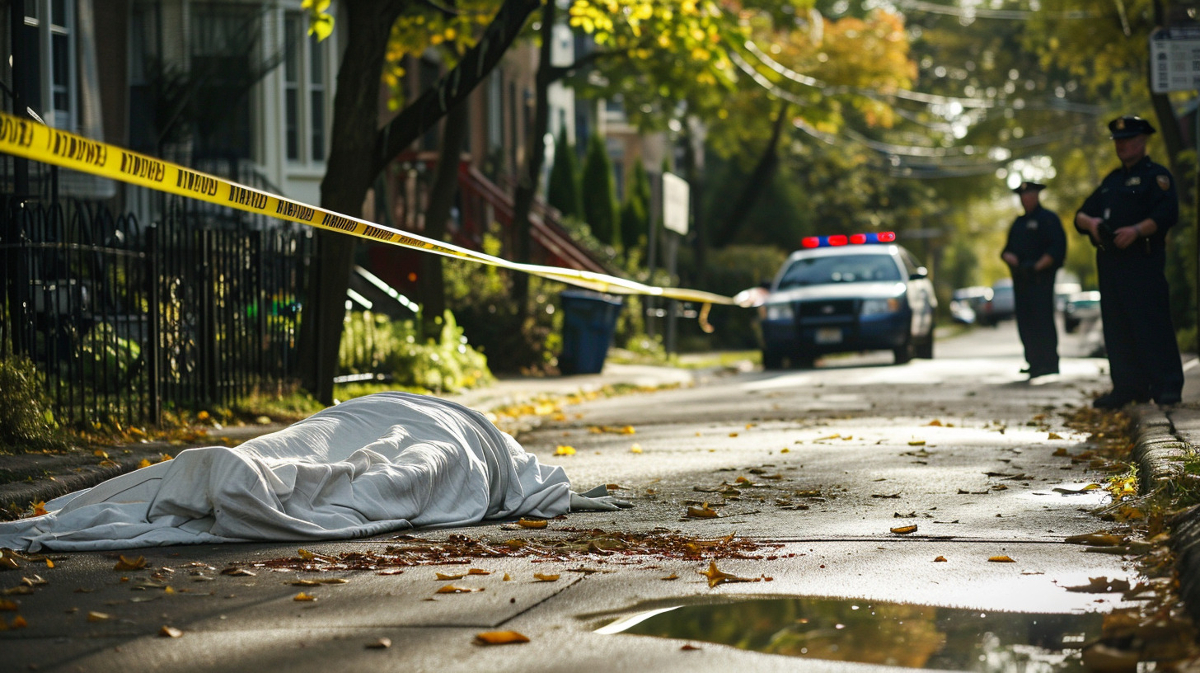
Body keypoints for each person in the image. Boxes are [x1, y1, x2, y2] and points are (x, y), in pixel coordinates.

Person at [1074, 115, 1184, 408]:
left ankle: (1167, 386)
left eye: (1128, 140)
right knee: (1117, 327)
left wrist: (1136, 230)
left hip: (1143, 262)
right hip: (1111, 265)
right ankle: (1127, 387)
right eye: (1118, 141)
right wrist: (1093, 224)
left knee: (1152, 323)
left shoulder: (1156, 177)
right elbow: (1081, 215)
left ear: (1142, 141)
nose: (1122, 146)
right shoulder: (1111, 180)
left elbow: (1167, 214)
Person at [1002, 181, 1066, 378]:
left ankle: (1049, 362)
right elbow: (1006, 250)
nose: (1025, 199)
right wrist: (1011, 258)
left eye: (1029, 194)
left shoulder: (1048, 219)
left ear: (1037, 195)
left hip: (1041, 279)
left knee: (1042, 319)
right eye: (1022, 196)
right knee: (1025, 320)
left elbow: (1057, 248)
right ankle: (1033, 361)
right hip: (1021, 280)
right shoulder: (1018, 223)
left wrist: (1038, 266)